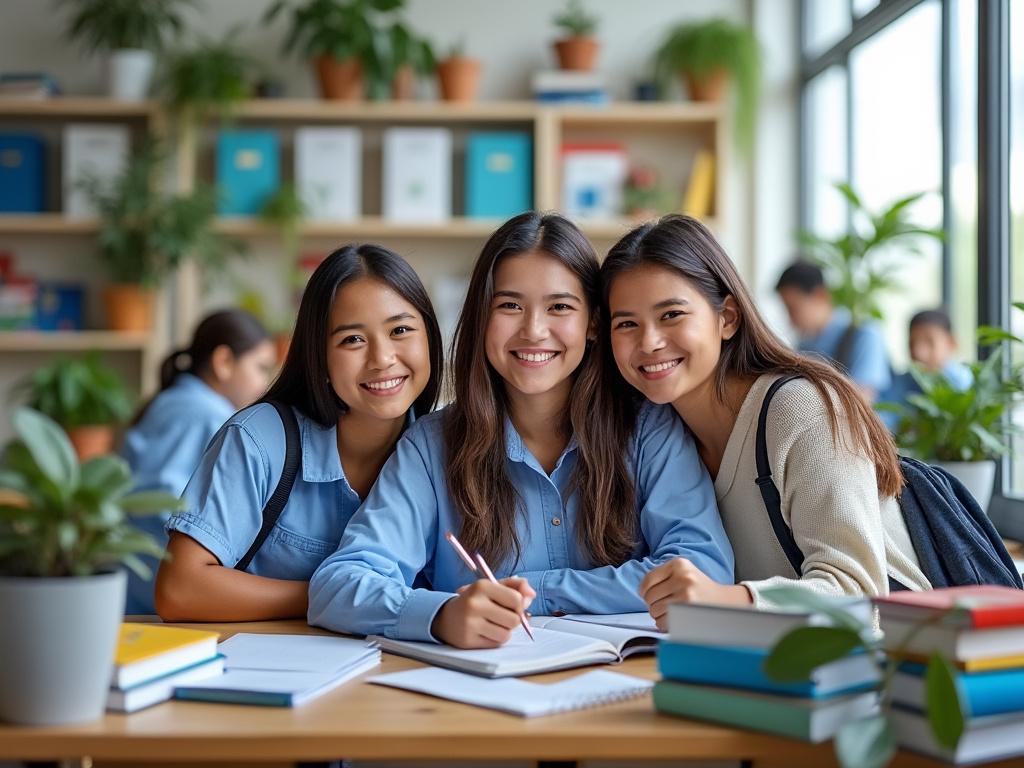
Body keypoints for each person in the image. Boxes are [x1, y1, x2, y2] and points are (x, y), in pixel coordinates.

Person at [308, 212, 734, 648]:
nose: (533, 330)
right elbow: (337, 585)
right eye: (510, 306)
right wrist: (440, 614)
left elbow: (702, 571)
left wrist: (540, 591)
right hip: (476, 698)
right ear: (482, 318)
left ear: (592, 324)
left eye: (559, 307)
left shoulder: (648, 427)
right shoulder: (432, 445)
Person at [601, 215, 928, 629]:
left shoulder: (801, 409)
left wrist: (726, 599)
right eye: (626, 323)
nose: (649, 342)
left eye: (672, 315)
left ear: (728, 318)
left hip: (896, 664)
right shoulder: (657, 431)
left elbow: (860, 594)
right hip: (766, 669)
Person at [154, 244, 443, 621]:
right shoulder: (258, 439)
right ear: (318, 356)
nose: (382, 358)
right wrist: (338, 596)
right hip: (266, 669)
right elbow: (179, 589)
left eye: (401, 330)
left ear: (430, 340)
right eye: (352, 339)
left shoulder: (444, 448)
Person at [121, 309, 275, 614]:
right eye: (261, 368)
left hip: (137, 580)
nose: (265, 383)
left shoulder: (176, 401)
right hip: (158, 583)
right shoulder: (204, 414)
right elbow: (164, 502)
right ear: (224, 362)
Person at [775, 260, 892, 402]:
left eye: (793, 309)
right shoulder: (804, 347)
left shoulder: (865, 336)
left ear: (820, 295)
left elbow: (863, 400)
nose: (790, 320)